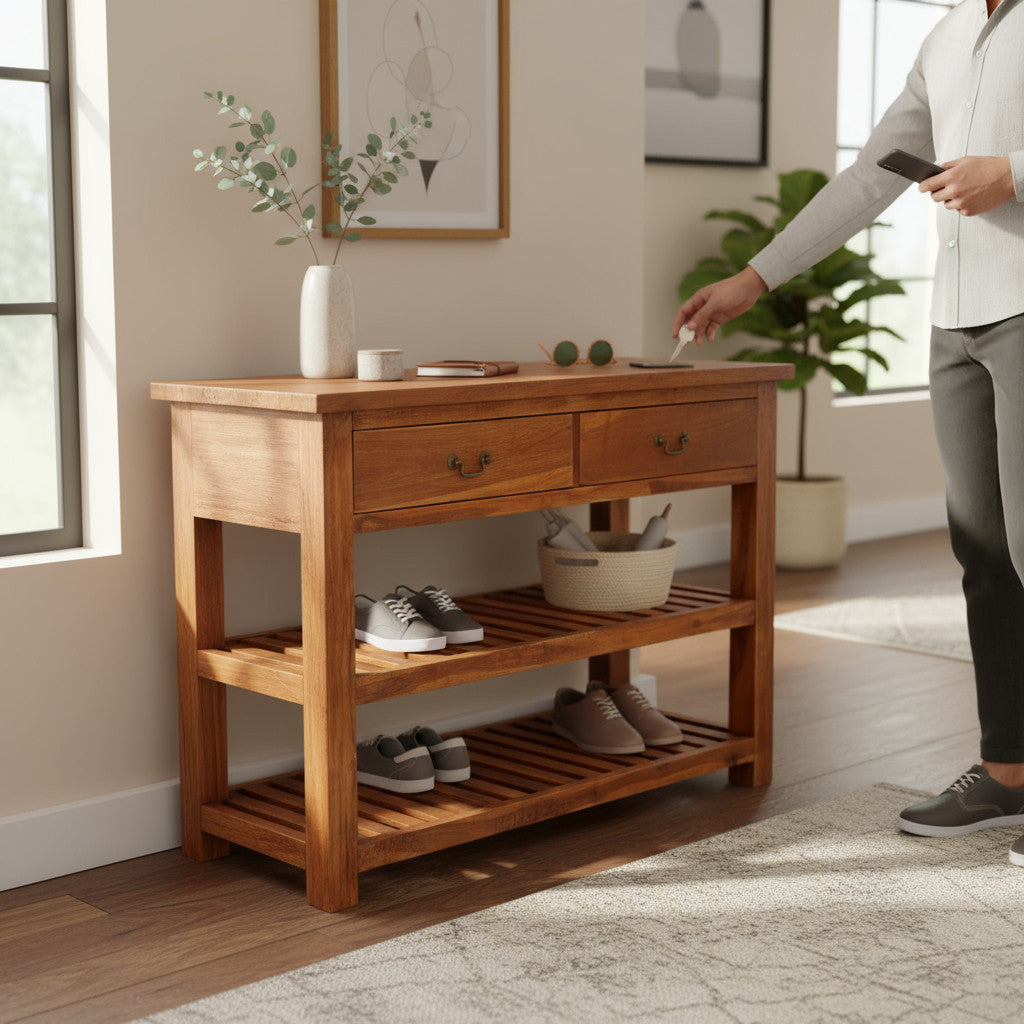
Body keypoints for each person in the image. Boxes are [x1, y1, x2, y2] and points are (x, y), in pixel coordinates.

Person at [673, 0, 1024, 865]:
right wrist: (757, 277)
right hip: (956, 323)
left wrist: (1012, 173)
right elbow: (872, 173)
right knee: (983, 551)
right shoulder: (944, 38)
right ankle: (1010, 774)